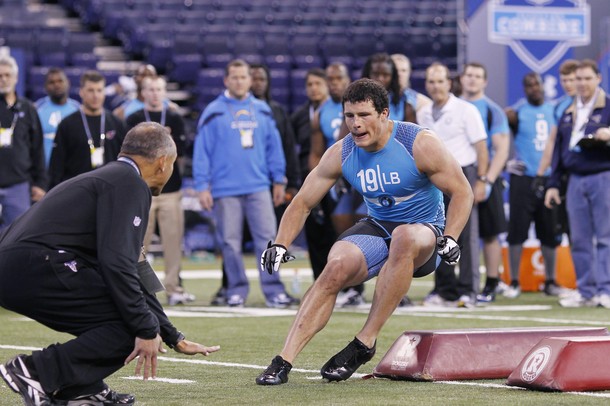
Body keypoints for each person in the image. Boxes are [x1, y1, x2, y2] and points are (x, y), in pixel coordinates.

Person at [255, 78, 473, 385]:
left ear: (384, 114)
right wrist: (279, 243)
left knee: (404, 237)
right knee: (336, 266)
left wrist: (450, 237)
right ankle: (283, 361)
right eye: (349, 116)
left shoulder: (419, 143)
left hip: (424, 232)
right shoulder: (342, 152)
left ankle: (365, 341)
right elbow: (303, 201)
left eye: (364, 115)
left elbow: (463, 191)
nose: (355, 124)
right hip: (379, 226)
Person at [0, 122, 220, 406]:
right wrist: (145, 328)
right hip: (36, 264)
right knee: (131, 325)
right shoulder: (131, 185)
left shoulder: (114, 178)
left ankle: (79, 388)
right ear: (163, 162)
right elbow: (118, 265)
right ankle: (34, 370)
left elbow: (135, 269)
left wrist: (170, 334)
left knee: (133, 318)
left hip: (21, 266)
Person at [193, 59, 297, 308]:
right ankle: (236, 290)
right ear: (226, 80)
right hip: (224, 188)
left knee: (269, 240)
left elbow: (275, 149)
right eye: (235, 77)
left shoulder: (262, 110)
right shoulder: (214, 111)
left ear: (250, 80)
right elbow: (202, 151)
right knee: (229, 242)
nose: (239, 81)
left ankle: (274, 290)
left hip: (258, 185)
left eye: (243, 77)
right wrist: (201, 186)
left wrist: (279, 179)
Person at [417, 62, 488, 307]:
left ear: (450, 83)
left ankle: (469, 290)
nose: (435, 86)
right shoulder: (423, 113)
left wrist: (481, 180)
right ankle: (445, 289)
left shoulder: (466, 110)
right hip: (434, 179)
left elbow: (481, 148)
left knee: (466, 235)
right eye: (431, 82)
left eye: (440, 81)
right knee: (438, 233)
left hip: (463, 174)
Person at [545, 59, 610, 308]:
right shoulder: (568, 112)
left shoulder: (608, 106)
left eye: (586, 78)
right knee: (580, 239)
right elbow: (559, 152)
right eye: (578, 79)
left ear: (598, 79)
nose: (582, 83)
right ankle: (586, 290)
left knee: (605, 236)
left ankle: (606, 289)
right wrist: (553, 184)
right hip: (574, 179)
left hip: (602, 175)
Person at [126, 76, 195, 306]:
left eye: (158, 89)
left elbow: (182, 153)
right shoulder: (135, 119)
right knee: (138, 242)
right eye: (150, 89)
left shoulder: (174, 116)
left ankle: (174, 287)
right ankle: (138, 288)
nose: (154, 93)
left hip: (171, 190)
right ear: (143, 93)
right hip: (141, 191)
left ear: (164, 92)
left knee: (173, 242)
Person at [504, 72, 562, 299]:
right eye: (528, 85)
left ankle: (550, 280)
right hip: (523, 178)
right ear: (524, 89)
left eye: (536, 84)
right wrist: (508, 163)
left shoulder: (555, 110)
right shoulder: (515, 113)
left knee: (549, 231)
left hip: (549, 179)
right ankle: (514, 282)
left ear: (542, 85)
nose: (533, 88)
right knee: (516, 230)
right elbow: (495, 133)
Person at [459, 62, 510, 303]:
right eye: (469, 75)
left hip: (485, 177)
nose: (472, 80)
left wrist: (487, 180)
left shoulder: (492, 110)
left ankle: (491, 282)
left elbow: (501, 149)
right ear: (462, 78)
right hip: (457, 177)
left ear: (484, 81)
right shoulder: (453, 107)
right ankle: (452, 286)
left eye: (477, 76)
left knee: (489, 233)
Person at [290, 68, 337, 281]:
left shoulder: (338, 112)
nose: (313, 88)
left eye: (318, 83)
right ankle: (320, 281)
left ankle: (345, 284)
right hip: (307, 179)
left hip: (336, 180)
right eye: (309, 84)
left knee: (335, 233)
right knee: (314, 234)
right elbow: (292, 149)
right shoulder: (300, 115)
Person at [49, 70, 126, 188]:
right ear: (81, 92)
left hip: (109, 190)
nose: (95, 95)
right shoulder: (67, 124)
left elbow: (124, 161)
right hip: (76, 191)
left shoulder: (116, 123)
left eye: (99, 90)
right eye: (90, 90)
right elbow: (57, 165)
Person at [0, 54, 47, 232]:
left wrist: (40, 183)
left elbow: (37, 149)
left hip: (18, 185)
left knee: (16, 238)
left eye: (7, 75)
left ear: (16, 78)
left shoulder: (28, 109)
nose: (3, 79)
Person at [35, 67, 80, 167]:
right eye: (52, 82)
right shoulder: (37, 109)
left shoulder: (78, 109)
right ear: (45, 86)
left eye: (60, 81)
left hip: (71, 171)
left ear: (68, 83)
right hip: (45, 171)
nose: (56, 85)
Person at [361, 53, 415, 122]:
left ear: (392, 77)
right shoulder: (355, 101)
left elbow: (412, 132)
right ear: (368, 74)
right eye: (375, 74)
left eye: (385, 75)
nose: (380, 78)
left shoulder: (405, 104)